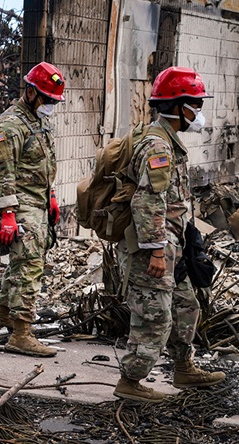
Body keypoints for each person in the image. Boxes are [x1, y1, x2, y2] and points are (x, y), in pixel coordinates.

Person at [113, 67, 225, 403]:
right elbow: (148, 202)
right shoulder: (157, 147)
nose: (198, 112)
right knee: (155, 318)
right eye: (195, 104)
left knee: (186, 306)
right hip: (152, 249)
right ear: (178, 107)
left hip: (172, 245)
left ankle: (183, 367)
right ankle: (130, 382)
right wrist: (157, 252)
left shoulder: (168, 142)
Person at [0, 62, 64, 357]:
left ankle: (4, 315)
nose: (52, 106)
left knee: (21, 263)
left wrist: (52, 195)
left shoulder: (37, 121)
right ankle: (21, 333)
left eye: (55, 101)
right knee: (31, 265)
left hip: (37, 201)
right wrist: (7, 214)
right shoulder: (10, 125)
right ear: (31, 93)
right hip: (19, 204)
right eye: (48, 99)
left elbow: (44, 164)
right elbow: (2, 171)